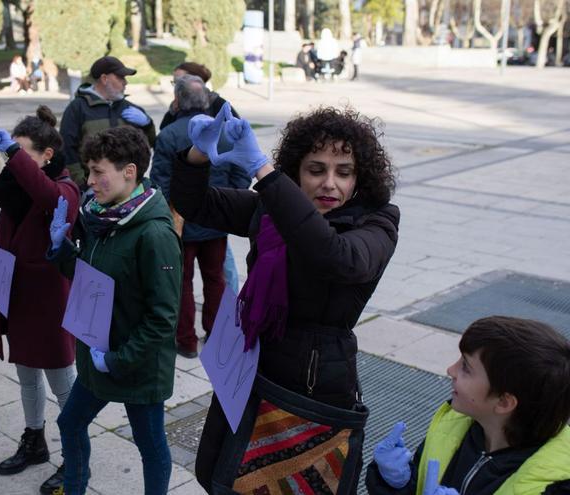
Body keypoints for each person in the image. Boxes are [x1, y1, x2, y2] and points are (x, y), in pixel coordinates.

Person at [171, 105, 399, 492]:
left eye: (344, 172)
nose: (330, 183)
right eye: (316, 169)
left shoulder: (378, 221)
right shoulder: (270, 208)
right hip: (249, 363)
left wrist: (264, 171)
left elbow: (335, 257)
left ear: (360, 178)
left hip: (310, 385)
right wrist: (197, 154)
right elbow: (195, 204)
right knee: (218, 471)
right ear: (297, 170)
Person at [47, 127, 182, 495]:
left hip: (136, 365)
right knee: (70, 423)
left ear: (130, 172)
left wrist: (119, 359)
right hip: (97, 353)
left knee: (151, 447)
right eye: (88, 171)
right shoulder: (99, 217)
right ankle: (74, 487)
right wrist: (63, 250)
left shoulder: (155, 235)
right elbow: (90, 280)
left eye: (97, 171)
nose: (89, 182)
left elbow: (163, 318)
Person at [0, 107, 80, 493]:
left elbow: (47, 198)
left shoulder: (66, 188)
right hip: (18, 294)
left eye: (22, 153)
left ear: (46, 155)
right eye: (12, 152)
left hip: (50, 300)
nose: (13, 161)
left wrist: (11, 151)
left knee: (62, 380)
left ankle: (75, 454)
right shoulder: (14, 187)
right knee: (26, 373)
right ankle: (34, 440)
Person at [366, 316, 570, 494]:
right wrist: (398, 484)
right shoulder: (452, 425)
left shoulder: (557, 483)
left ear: (504, 402)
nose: (450, 370)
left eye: (466, 367)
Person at [150, 75, 250, 359]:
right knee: (215, 278)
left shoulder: (169, 134)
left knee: (181, 282)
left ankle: (186, 341)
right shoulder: (224, 131)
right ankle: (215, 334)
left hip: (181, 223)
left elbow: (159, 181)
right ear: (206, 101)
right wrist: (230, 197)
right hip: (217, 221)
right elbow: (242, 171)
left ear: (178, 100)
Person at [59, 55, 156, 188]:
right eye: (120, 77)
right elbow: (67, 148)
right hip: (93, 186)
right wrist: (82, 183)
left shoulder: (130, 108)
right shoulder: (78, 108)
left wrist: (147, 124)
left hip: (127, 188)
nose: (125, 82)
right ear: (104, 79)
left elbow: (148, 145)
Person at [158, 61, 240, 131]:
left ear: (197, 81)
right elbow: (164, 131)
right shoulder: (175, 106)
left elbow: (237, 130)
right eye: (175, 82)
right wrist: (173, 112)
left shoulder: (218, 104)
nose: (177, 86)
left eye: (180, 81)